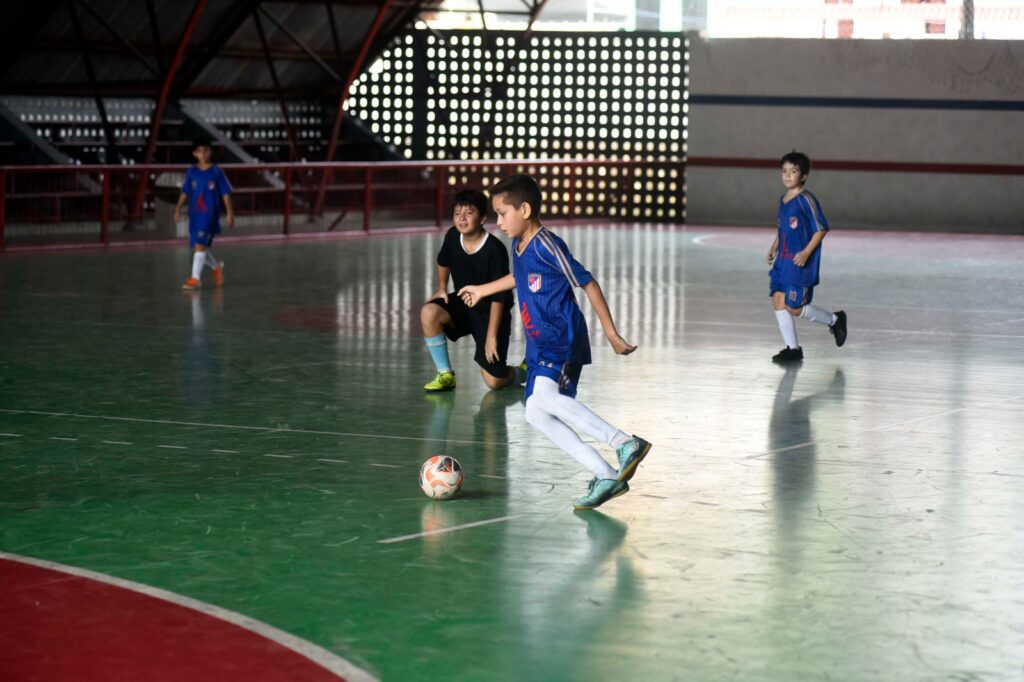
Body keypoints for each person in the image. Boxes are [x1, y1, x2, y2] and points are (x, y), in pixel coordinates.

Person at [459, 174, 651, 510]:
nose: (498, 221)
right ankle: (606, 475)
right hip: (538, 345)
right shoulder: (517, 246)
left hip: (562, 338)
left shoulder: (548, 244)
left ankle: (623, 442)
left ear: (526, 210)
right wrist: (481, 290)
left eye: (503, 213)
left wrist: (612, 335)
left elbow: (587, 282)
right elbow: (517, 278)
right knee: (535, 412)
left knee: (545, 398)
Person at [421, 188, 524, 392]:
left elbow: (500, 296)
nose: (461, 219)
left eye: (468, 213)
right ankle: (445, 374)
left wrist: (491, 337)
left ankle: (525, 371)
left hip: (491, 311)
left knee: (493, 381)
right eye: (457, 213)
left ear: (483, 218)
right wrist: (442, 288)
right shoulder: (452, 236)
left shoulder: (495, 250)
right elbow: (443, 260)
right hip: (463, 303)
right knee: (429, 312)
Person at [766, 151, 847, 363]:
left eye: (793, 171)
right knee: (778, 299)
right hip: (782, 261)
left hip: (799, 262)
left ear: (803, 176)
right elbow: (782, 228)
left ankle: (834, 320)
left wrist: (805, 252)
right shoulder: (783, 200)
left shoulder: (806, 199)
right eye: (784, 171)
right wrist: (774, 246)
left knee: (794, 307)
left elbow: (821, 229)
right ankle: (793, 349)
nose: (787, 175)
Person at [173, 140, 233, 290]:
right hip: (195, 214)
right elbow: (185, 191)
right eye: (200, 151)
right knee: (199, 247)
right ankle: (216, 266)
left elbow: (225, 193)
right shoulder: (192, 171)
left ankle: (195, 279)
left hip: (210, 214)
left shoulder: (216, 172)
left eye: (206, 150)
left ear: (210, 152)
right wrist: (178, 207)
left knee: (200, 245)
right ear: (195, 154)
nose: (203, 154)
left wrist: (230, 212)